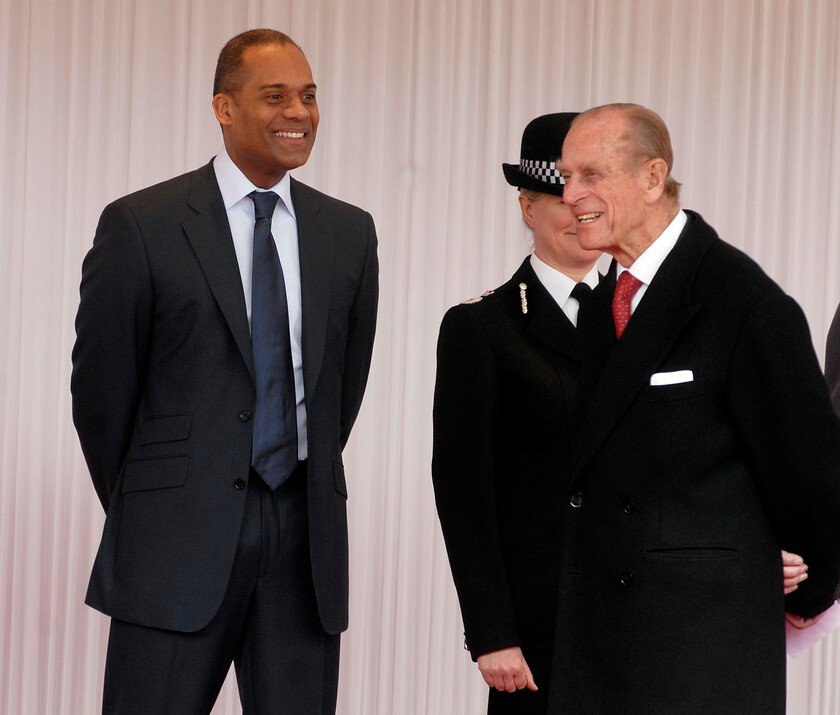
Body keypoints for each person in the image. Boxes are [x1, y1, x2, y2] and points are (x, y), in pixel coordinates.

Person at [71, 29, 378, 714]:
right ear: (223, 107)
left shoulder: (349, 234)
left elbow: (338, 396)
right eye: (275, 96)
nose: (298, 112)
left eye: (308, 96)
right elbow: (100, 396)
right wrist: (160, 500)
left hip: (304, 548)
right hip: (174, 547)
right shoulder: (142, 225)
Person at [551, 102, 840, 713]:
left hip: (699, 656)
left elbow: (813, 480)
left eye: (590, 175)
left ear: (653, 178)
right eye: (566, 175)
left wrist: (800, 587)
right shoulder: (606, 302)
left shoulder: (744, 302)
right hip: (601, 646)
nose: (569, 192)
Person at [432, 112, 602, 714]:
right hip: (539, 629)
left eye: (594, 190)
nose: (581, 207)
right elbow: (462, 490)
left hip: (643, 622)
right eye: (562, 195)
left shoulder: (650, 322)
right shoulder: (482, 328)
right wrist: (492, 632)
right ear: (528, 207)